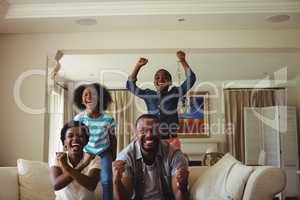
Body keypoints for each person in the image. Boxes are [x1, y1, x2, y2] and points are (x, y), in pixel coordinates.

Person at [126, 50, 196, 149]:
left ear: (170, 82)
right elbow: (130, 86)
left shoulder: (175, 93)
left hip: (172, 141)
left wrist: (183, 61)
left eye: (165, 78)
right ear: (154, 82)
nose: (161, 80)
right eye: (157, 77)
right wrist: (138, 66)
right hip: (153, 140)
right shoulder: (148, 94)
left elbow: (191, 79)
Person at [112, 114, 189, 200]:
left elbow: (179, 196)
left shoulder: (174, 155)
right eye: (142, 131)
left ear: (161, 133)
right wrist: (116, 181)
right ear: (135, 135)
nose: (149, 135)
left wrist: (183, 186)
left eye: (154, 130)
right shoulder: (125, 157)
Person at [73, 83, 116, 200]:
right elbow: (75, 137)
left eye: (92, 94)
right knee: (78, 175)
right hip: (86, 151)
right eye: (85, 95)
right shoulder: (78, 118)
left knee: (107, 180)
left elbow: (112, 137)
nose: (89, 97)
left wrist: (113, 157)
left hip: (104, 151)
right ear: (81, 100)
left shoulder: (109, 118)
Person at [50, 121, 101, 200]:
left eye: (80, 136)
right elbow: (55, 185)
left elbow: (91, 185)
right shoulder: (58, 157)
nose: (75, 139)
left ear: (86, 141)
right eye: (70, 136)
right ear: (64, 142)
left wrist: (67, 167)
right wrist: (82, 165)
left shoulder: (94, 158)